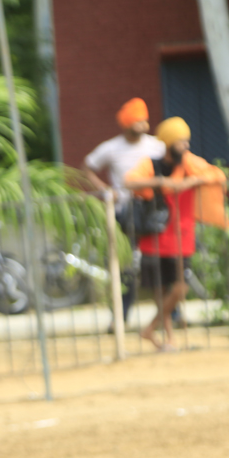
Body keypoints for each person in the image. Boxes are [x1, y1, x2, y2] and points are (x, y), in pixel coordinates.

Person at [124, 116, 228, 352]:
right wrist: (162, 182)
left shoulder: (189, 164)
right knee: (160, 291)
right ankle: (169, 339)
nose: (186, 146)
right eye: (182, 142)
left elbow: (217, 175)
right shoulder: (151, 165)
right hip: (155, 237)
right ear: (170, 143)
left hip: (182, 237)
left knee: (181, 288)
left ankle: (150, 328)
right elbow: (129, 182)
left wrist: (191, 181)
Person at [83, 98, 166, 324]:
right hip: (124, 213)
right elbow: (88, 167)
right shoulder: (111, 148)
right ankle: (120, 317)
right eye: (138, 121)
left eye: (144, 120)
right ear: (127, 123)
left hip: (151, 212)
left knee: (157, 262)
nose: (143, 125)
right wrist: (105, 190)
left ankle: (170, 314)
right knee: (126, 266)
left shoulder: (156, 146)